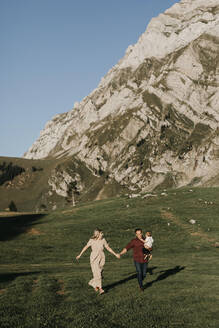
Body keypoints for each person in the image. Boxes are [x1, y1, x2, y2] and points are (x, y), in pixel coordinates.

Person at [76, 228, 120, 295]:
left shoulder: (103, 240)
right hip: (94, 257)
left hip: (102, 257)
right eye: (101, 233)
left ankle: (92, 283)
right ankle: (100, 289)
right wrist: (80, 254)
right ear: (98, 234)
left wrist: (115, 254)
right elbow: (86, 247)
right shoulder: (91, 240)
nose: (103, 234)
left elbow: (108, 248)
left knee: (100, 272)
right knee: (97, 273)